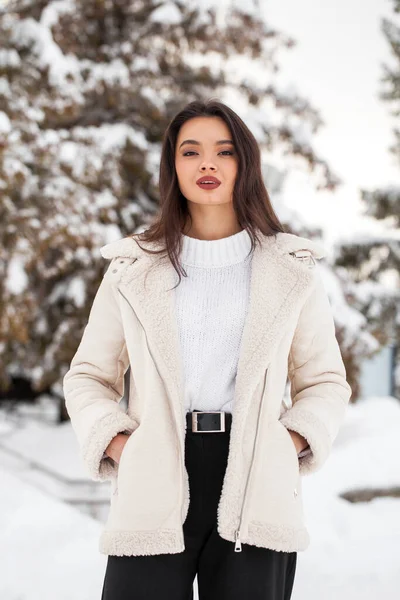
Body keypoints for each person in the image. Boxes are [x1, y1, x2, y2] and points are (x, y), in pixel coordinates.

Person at [63, 99, 352, 600]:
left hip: (256, 474)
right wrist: (119, 445)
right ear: (173, 166)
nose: (208, 164)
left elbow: (324, 382)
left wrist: (289, 445)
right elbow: (88, 375)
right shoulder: (133, 267)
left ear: (246, 163)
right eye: (190, 151)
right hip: (157, 467)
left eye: (224, 151)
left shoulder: (291, 269)